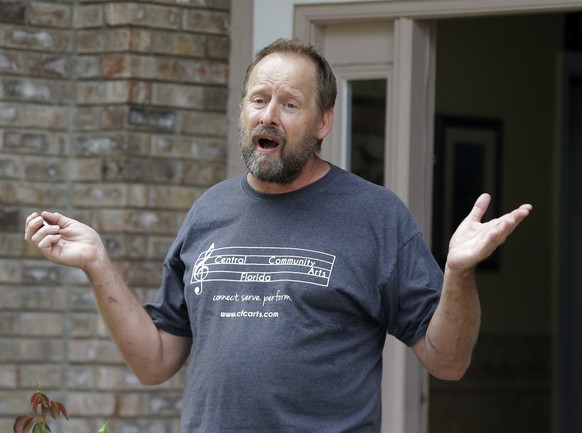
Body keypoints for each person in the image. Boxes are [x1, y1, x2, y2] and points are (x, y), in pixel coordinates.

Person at [24, 38, 532, 432]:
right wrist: (98, 263)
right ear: (243, 111)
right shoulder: (209, 211)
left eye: (289, 104)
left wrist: (460, 274)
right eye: (259, 99)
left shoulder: (375, 216)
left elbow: (448, 361)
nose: (268, 114)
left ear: (323, 121)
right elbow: (155, 362)